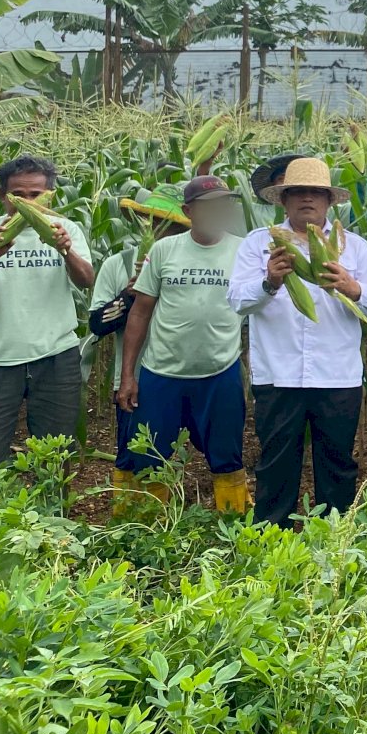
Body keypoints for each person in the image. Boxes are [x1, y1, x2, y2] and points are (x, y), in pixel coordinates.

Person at [227, 157, 367, 526]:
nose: (306, 199)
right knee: (276, 464)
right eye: (297, 192)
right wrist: (269, 282)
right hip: (278, 375)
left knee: (338, 465)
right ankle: (272, 540)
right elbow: (237, 300)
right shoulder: (259, 244)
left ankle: (336, 539)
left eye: (316, 193)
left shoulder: (355, 247)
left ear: (330, 200)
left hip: (337, 376)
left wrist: (352, 287)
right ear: (283, 200)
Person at [116, 176, 248, 513]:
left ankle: (232, 524)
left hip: (220, 370)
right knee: (148, 453)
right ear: (189, 211)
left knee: (226, 453)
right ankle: (142, 524)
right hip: (162, 371)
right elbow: (140, 313)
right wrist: (128, 376)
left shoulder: (243, 250)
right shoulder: (164, 250)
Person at [0, 156, 95, 470]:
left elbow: (86, 280)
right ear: (1, 195)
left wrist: (65, 250)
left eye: (36, 194)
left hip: (56, 356)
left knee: (55, 455)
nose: (27, 202)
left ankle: (54, 514)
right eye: (18, 195)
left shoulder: (66, 229)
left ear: (49, 194)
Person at [87, 184, 192, 391]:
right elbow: (97, 324)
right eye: (150, 220)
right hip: (134, 380)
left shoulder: (192, 266)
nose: (155, 228)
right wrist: (128, 297)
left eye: (168, 224)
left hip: (186, 378)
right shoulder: (118, 264)